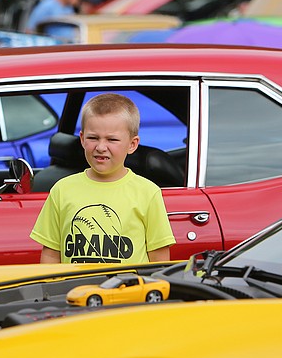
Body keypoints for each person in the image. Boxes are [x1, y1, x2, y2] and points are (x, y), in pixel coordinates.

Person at [30, 93, 175, 264]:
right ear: (82, 139)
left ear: (132, 144)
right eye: (93, 138)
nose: (101, 147)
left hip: (128, 290)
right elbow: (51, 254)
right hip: (75, 290)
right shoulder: (62, 189)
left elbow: (159, 259)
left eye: (112, 139)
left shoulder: (148, 192)